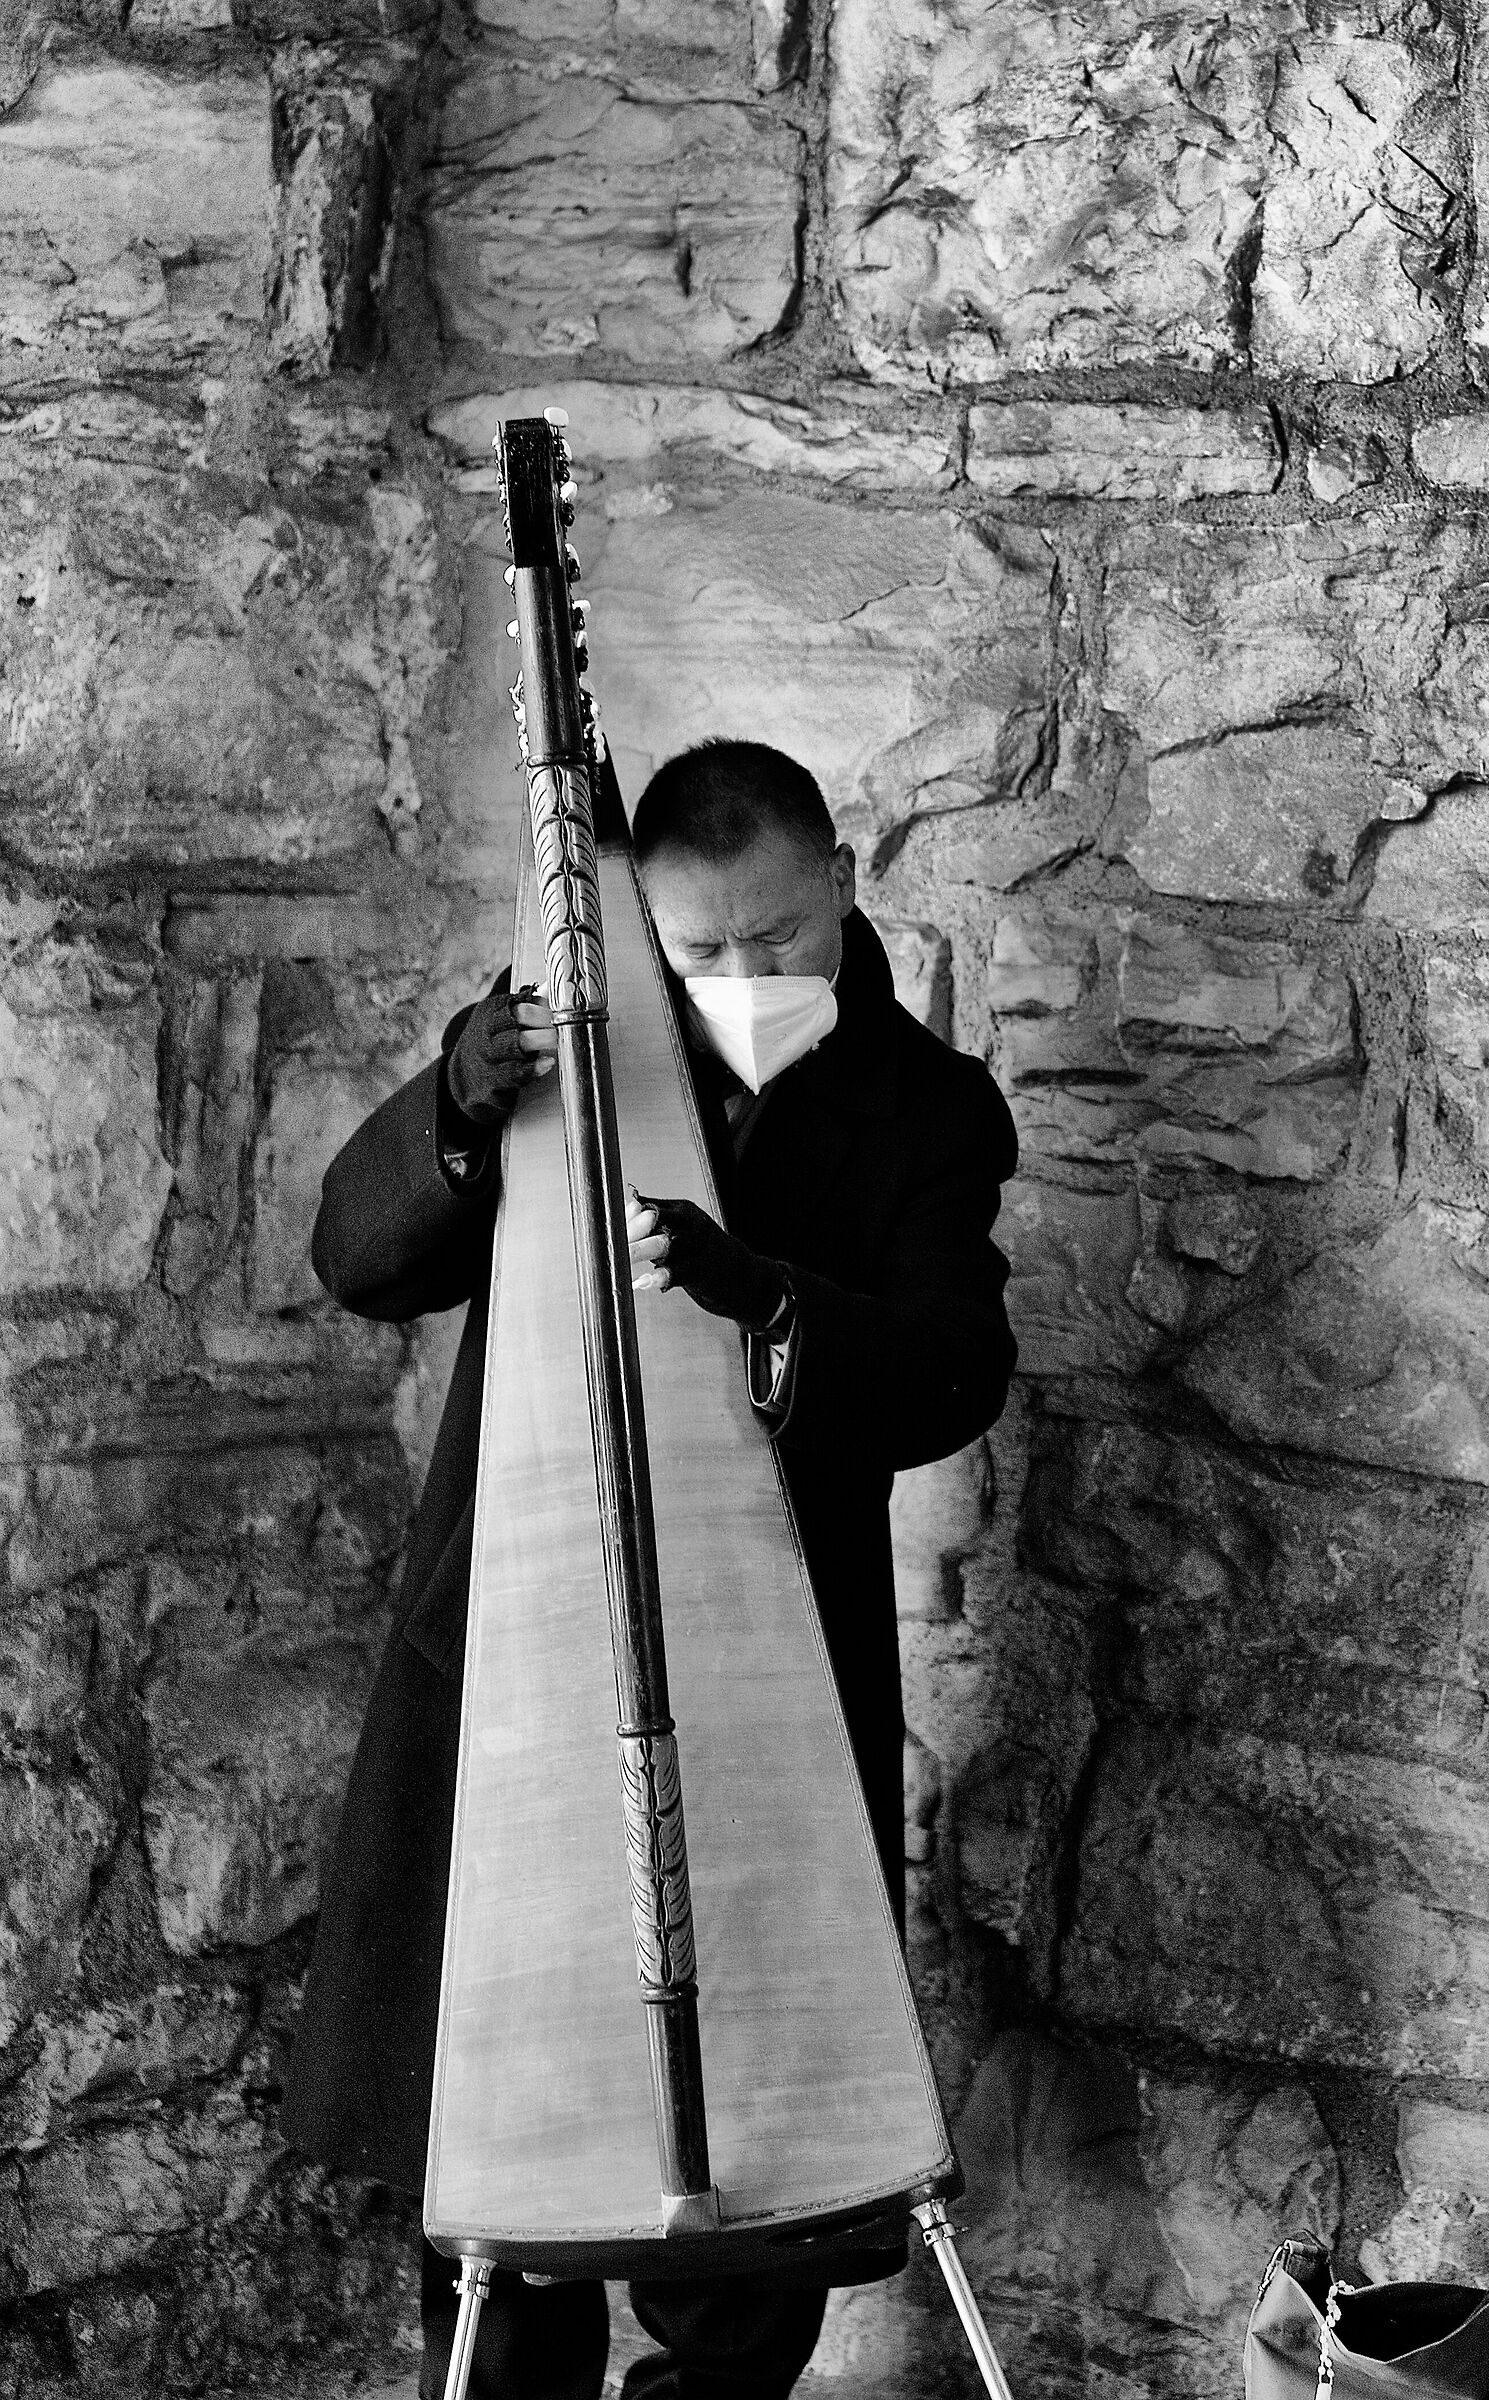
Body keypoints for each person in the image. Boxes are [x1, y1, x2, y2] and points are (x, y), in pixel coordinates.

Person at [280, 740, 1019, 2400]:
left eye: (777, 938)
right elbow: (357, 1254)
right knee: (510, 2126)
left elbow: (956, 1370)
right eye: (702, 952)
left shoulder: (926, 1111)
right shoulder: (560, 1042)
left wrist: (773, 1300)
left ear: (840, 882)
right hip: (521, 1648)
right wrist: (458, 1105)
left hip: (773, 1672)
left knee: (756, 2125)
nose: (746, 979)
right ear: (640, 930)